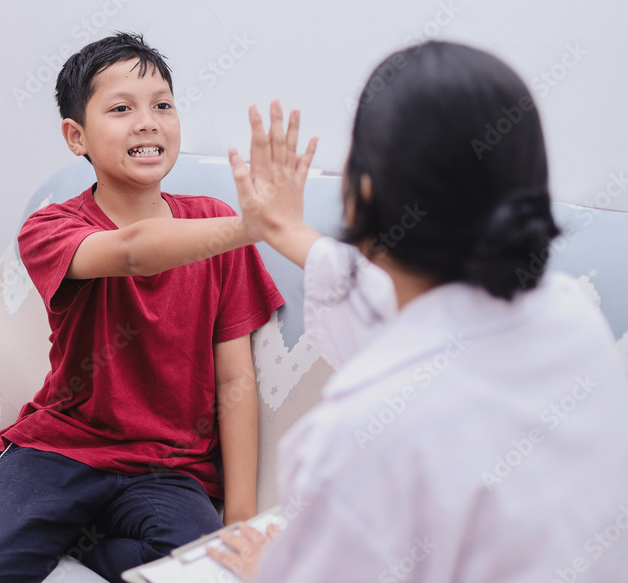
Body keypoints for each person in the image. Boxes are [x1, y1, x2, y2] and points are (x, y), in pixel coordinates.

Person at [208, 42, 628, 582]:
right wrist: (283, 229)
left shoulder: (352, 440)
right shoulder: (573, 322)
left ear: (361, 193)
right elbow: (399, 305)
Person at [0, 32, 284, 583]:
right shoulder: (52, 227)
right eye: (121, 109)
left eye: (162, 105)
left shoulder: (212, 223)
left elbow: (236, 379)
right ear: (77, 137)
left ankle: (87, 547)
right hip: (60, 450)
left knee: (199, 572)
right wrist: (246, 228)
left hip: (169, 470)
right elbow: (134, 253)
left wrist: (240, 523)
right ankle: (64, 530)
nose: (147, 122)